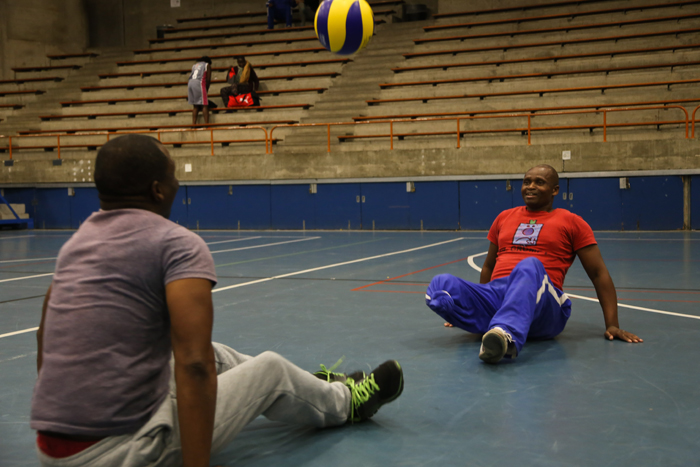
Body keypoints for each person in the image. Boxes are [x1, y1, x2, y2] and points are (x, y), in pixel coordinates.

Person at [30, 134, 404, 467]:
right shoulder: (175, 244)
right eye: (175, 175)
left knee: (216, 352)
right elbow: (194, 367)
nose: (180, 183)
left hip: (53, 449)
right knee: (269, 369)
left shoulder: (76, 245)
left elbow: (44, 340)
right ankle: (346, 402)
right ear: (158, 189)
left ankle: (312, 386)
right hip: (122, 453)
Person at [425, 164, 642, 364]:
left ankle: (505, 337)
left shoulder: (572, 222)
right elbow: (489, 267)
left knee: (529, 265)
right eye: (527, 181)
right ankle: (482, 321)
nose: (531, 186)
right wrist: (473, 304)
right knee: (441, 283)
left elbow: (598, 273)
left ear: (555, 190)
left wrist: (612, 324)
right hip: (499, 295)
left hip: (545, 307)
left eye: (539, 182)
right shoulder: (504, 217)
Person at [187, 56, 212, 125]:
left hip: (190, 83)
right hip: (198, 82)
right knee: (204, 104)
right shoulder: (207, 65)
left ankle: (194, 124)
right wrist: (206, 90)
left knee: (196, 105)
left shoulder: (194, 65)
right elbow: (208, 79)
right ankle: (207, 124)